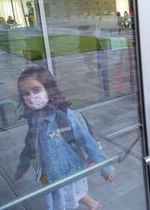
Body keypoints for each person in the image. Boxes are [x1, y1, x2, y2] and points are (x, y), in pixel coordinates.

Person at [14, 66, 115, 210]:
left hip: (69, 172)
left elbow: (89, 143)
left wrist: (106, 168)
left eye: (36, 90)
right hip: (49, 174)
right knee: (70, 196)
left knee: (66, 199)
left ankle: (93, 204)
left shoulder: (66, 118)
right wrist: (21, 167)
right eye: (25, 93)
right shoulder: (33, 119)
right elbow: (29, 146)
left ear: (48, 89)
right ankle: (93, 204)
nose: (31, 97)